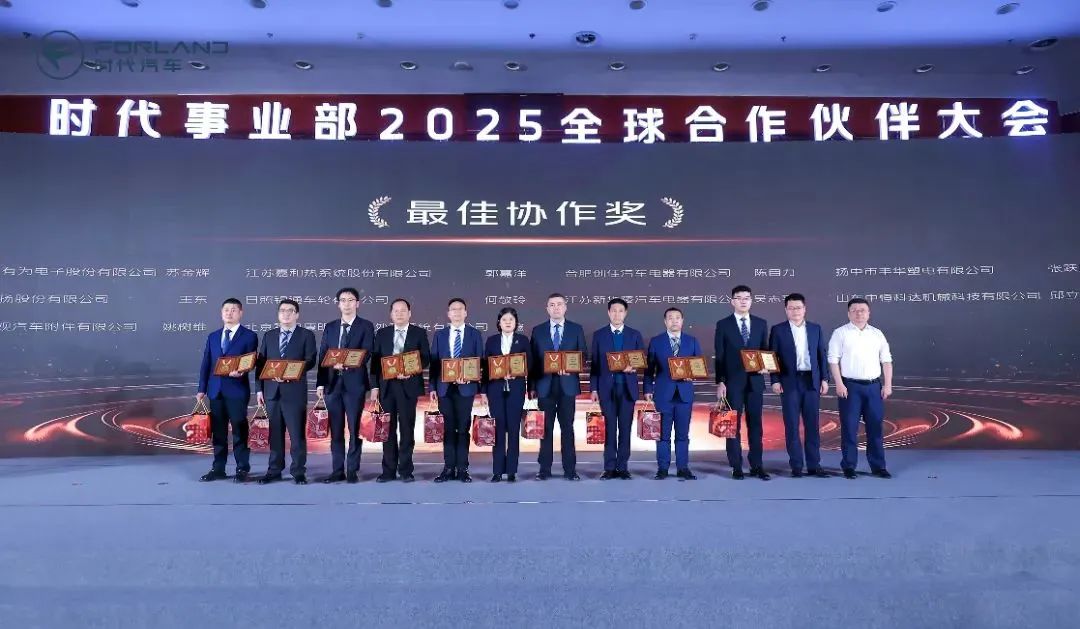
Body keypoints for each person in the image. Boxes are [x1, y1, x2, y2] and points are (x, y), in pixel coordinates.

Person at [827, 298, 894, 479]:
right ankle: (849, 466)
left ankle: (878, 466)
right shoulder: (840, 333)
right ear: (848, 313)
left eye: (862, 310)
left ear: (869, 313)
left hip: (874, 387)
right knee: (849, 428)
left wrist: (888, 384)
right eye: (855, 310)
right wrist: (839, 383)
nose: (859, 313)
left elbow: (886, 360)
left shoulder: (877, 334)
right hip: (850, 387)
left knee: (875, 428)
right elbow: (833, 360)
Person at [316, 287, 375, 484]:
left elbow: (367, 352)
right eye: (343, 300)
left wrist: (348, 362)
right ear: (338, 304)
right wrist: (321, 383)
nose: (347, 304)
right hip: (332, 384)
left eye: (351, 300)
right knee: (336, 429)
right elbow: (323, 355)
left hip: (354, 384)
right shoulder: (330, 327)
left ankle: (352, 470)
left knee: (354, 428)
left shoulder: (366, 326)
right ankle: (337, 470)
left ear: (357, 303)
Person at [197, 298, 259, 483]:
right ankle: (218, 468)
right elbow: (206, 363)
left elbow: (251, 361)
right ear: (221, 313)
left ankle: (242, 468)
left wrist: (242, 371)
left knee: (239, 429)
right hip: (215, 390)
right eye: (226, 310)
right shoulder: (213, 336)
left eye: (233, 310)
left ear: (240, 313)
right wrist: (201, 389)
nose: (229, 313)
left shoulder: (249, 336)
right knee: (218, 432)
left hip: (237, 390)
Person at [256, 299, 317, 485]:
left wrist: (291, 371)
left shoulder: (306, 335)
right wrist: (259, 390)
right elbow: (261, 363)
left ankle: (298, 471)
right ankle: (274, 470)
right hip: (271, 392)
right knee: (275, 434)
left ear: (297, 314)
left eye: (290, 311)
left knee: (297, 435)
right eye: (282, 310)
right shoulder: (269, 335)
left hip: (294, 392)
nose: (286, 314)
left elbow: (311, 360)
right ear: (278, 314)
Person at [370, 298, 431, 483]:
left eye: (403, 310)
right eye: (396, 311)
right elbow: (375, 362)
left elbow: (425, 358)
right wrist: (374, 387)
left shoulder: (419, 333)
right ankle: (388, 470)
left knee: (407, 429)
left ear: (409, 313)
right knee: (387, 430)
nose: (399, 314)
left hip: (408, 386)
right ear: (391, 314)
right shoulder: (382, 333)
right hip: (387, 387)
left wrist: (410, 370)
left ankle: (405, 470)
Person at [769, 293, 830, 478]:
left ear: (804, 309)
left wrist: (824, 379)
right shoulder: (778, 330)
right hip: (789, 381)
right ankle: (796, 465)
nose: (795, 311)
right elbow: (772, 356)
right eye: (791, 308)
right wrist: (775, 380)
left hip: (811, 381)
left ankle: (814, 465)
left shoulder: (815, 329)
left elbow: (821, 355)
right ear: (786, 310)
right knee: (792, 425)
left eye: (798, 307)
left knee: (812, 425)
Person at [715, 285, 772, 480]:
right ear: (732, 301)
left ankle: (757, 465)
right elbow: (720, 356)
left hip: (755, 382)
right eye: (739, 298)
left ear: (751, 300)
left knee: (756, 425)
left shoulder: (761, 323)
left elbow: (765, 350)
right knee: (733, 425)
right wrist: (720, 382)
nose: (743, 301)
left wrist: (766, 366)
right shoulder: (723, 324)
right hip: (732, 383)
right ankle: (736, 466)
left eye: (746, 297)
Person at [529, 293, 588, 481]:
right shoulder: (538, 330)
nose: (556, 308)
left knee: (567, 429)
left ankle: (570, 470)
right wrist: (531, 386)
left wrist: (570, 368)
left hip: (567, 385)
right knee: (545, 429)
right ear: (547, 308)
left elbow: (583, 355)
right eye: (552, 305)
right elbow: (532, 361)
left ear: (565, 307)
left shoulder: (576, 329)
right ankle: (544, 470)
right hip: (544, 385)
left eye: (559, 304)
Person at [429, 298, 485, 483]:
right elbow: (434, 363)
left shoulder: (475, 334)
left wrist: (472, 379)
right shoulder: (440, 335)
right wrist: (432, 387)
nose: (457, 312)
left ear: (466, 313)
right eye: (453, 309)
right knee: (447, 429)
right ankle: (448, 468)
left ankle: (462, 468)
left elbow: (480, 362)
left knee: (462, 429)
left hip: (466, 389)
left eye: (460, 309)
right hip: (444, 389)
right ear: (448, 314)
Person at [589, 298, 644, 480]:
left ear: (625, 313)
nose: (617, 314)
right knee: (610, 428)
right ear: (608, 312)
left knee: (625, 429)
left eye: (621, 311)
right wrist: (594, 389)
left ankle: (623, 467)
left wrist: (634, 367)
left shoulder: (634, 335)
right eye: (614, 310)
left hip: (627, 389)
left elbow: (641, 361)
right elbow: (595, 364)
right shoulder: (599, 335)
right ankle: (609, 467)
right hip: (606, 389)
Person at [644, 307, 702, 480]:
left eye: (677, 317)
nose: (674, 321)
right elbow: (649, 369)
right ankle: (662, 468)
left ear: (682, 321)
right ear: (665, 321)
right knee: (662, 434)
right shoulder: (656, 341)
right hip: (663, 394)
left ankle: (683, 468)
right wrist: (647, 389)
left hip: (684, 394)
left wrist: (693, 375)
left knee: (683, 435)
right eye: (670, 318)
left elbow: (698, 366)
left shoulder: (692, 341)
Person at [483, 307, 532, 482]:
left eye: (511, 319)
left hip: (516, 390)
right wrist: (483, 391)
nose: (508, 322)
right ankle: (497, 471)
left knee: (513, 430)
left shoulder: (523, 340)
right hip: (495, 390)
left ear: (516, 322)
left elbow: (530, 364)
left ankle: (511, 470)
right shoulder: (491, 341)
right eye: (504, 320)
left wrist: (519, 375)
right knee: (497, 431)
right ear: (499, 323)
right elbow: (485, 367)